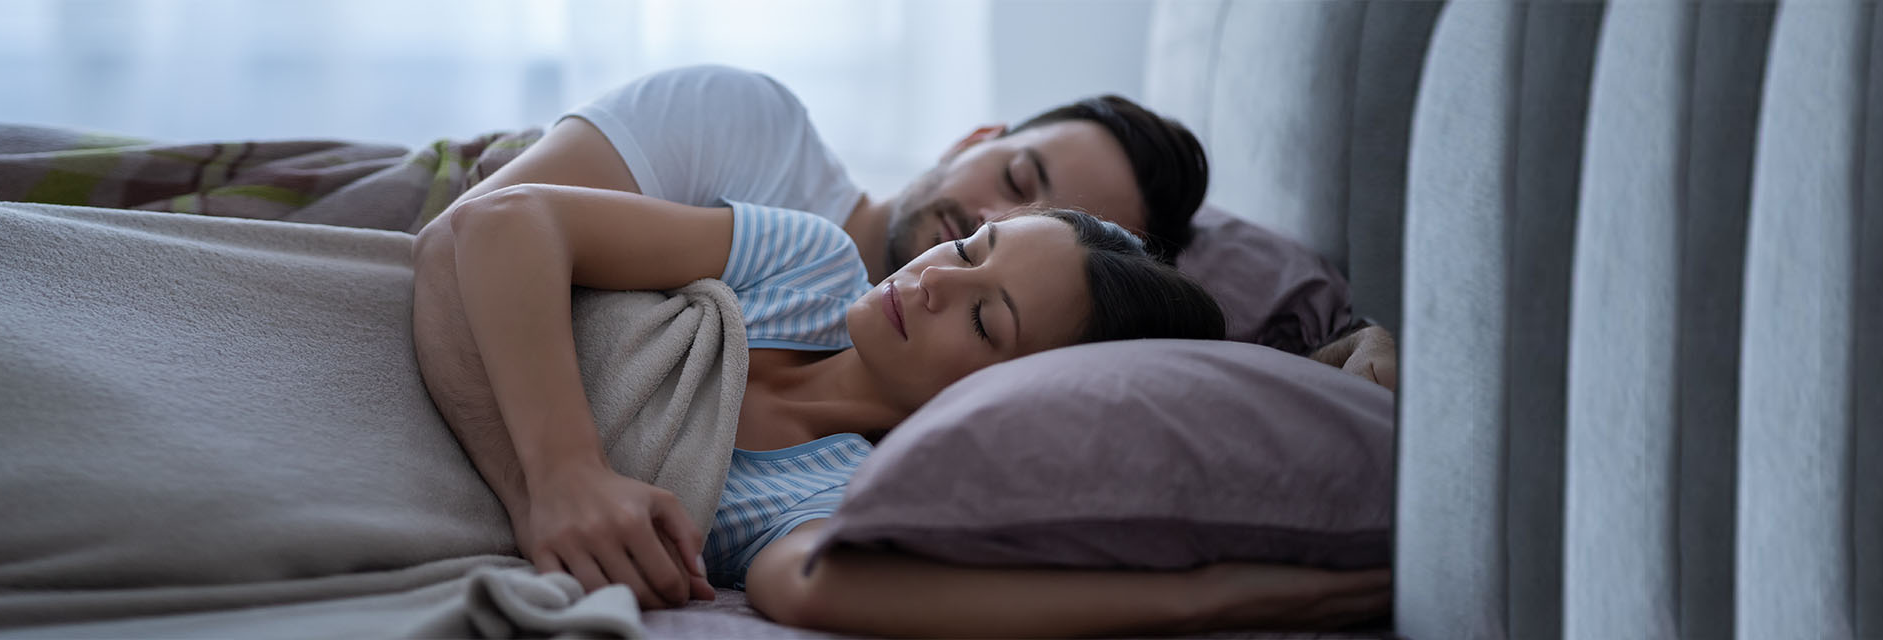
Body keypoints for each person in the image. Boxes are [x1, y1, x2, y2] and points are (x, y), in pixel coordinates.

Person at [411, 184, 1389, 635]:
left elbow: (815, 589)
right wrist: (563, 476)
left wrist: (1217, 597)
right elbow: (505, 219)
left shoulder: (849, 487)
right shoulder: (805, 261)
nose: (929, 284)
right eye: (968, 253)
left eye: (988, 319)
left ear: (1015, 392)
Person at [453, 64, 1208, 282]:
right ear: (972, 138)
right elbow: (461, 240)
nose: (992, 226)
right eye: (1015, 180)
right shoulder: (748, 123)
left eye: (1039, 232)